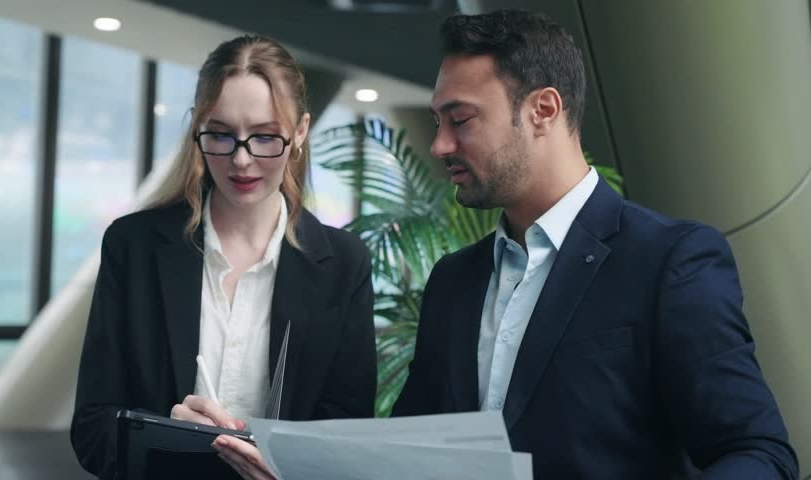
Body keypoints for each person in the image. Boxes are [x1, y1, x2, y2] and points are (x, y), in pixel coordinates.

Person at [391, 9, 799, 479]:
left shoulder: (668, 261)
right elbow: (407, 450)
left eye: (459, 119)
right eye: (437, 122)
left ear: (542, 110)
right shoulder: (452, 281)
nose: (440, 145)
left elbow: (758, 453)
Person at [71, 35, 376, 480]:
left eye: (265, 137)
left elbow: (348, 443)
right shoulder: (132, 247)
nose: (241, 160)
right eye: (220, 134)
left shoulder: (344, 265)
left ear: (301, 132)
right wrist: (166, 434)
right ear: (197, 126)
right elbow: (92, 430)